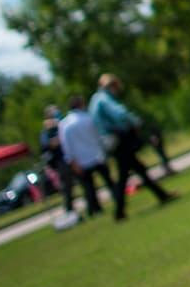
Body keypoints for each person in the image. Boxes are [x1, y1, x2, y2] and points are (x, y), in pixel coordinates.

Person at [89, 75, 174, 218]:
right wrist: (134, 121)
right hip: (118, 139)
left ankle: (160, 195)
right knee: (124, 175)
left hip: (110, 141)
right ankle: (120, 211)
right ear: (111, 86)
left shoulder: (95, 99)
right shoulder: (104, 99)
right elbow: (120, 114)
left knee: (138, 169)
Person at [58, 94, 120, 219]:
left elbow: (66, 146)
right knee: (109, 181)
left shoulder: (65, 124)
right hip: (97, 155)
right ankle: (118, 199)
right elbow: (98, 136)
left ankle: (94, 209)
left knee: (89, 188)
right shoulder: (88, 118)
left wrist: (72, 161)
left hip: (81, 160)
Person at [39, 105, 76, 213]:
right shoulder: (47, 131)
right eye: (54, 112)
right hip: (61, 161)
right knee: (67, 186)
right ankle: (69, 210)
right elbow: (47, 145)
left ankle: (93, 205)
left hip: (73, 156)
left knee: (85, 180)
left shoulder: (63, 124)